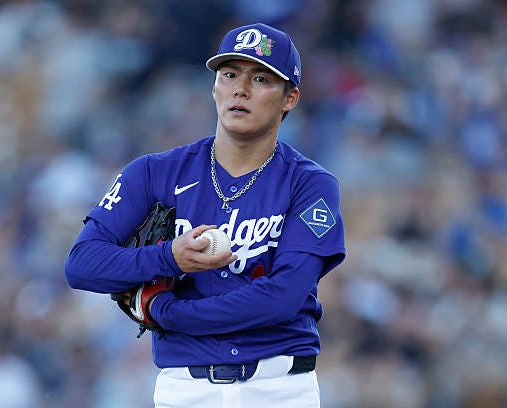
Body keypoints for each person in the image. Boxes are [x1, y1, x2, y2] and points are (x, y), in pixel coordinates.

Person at [65, 22, 346, 408]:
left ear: (290, 98)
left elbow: (281, 298)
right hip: (186, 390)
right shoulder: (154, 173)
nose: (240, 89)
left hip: (280, 389)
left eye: (261, 78)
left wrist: (165, 311)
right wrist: (167, 257)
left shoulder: (310, 185)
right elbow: (81, 264)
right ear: (214, 86)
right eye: (229, 75)